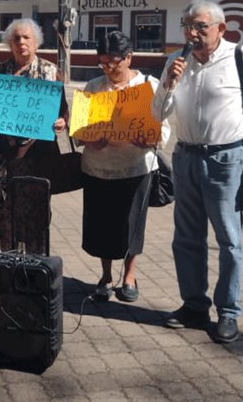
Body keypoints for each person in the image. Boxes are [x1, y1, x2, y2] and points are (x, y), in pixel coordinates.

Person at [152, 0, 243, 344]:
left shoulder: (238, 58)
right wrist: (169, 84)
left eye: (200, 26)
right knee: (187, 238)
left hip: (228, 159)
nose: (192, 33)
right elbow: (158, 113)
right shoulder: (177, 62)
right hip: (186, 157)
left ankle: (229, 312)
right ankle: (193, 305)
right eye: (187, 26)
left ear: (221, 28)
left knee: (230, 240)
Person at [81, 31, 169, 303]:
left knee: (132, 224)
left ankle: (129, 276)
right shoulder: (94, 87)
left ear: (129, 58)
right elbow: (80, 128)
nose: (109, 69)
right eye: (103, 63)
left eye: (114, 63)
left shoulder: (148, 86)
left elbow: (163, 129)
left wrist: (150, 139)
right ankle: (106, 276)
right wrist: (87, 138)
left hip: (136, 168)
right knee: (101, 224)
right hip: (98, 167)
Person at [0, 18, 67, 254]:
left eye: (26, 37)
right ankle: (4, 258)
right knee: (3, 203)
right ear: (9, 42)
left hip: (37, 153)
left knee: (35, 206)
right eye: (16, 38)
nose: (21, 42)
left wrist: (63, 121)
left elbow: (64, 110)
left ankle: (33, 258)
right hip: (3, 154)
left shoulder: (51, 72)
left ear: (36, 42)